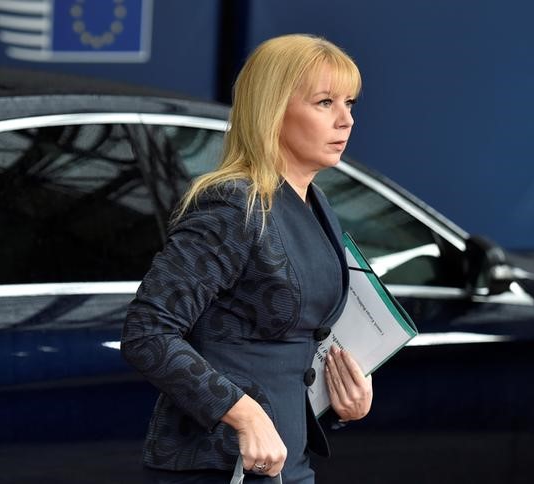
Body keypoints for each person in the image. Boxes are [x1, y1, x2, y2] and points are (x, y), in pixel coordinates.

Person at [121, 33, 373, 484]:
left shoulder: (316, 203)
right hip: (218, 464)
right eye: (324, 103)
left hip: (285, 463)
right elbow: (148, 332)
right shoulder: (233, 205)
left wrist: (341, 401)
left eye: (350, 103)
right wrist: (243, 415)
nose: (345, 120)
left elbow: (290, 345)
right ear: (272, 109)